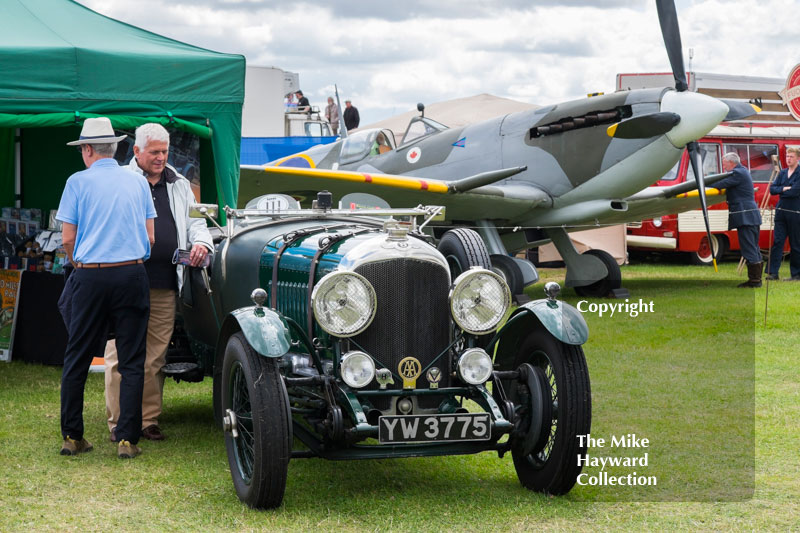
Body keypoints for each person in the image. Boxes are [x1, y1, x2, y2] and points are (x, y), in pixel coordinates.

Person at [104, 123, 213, 442]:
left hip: (166, 283)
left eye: (164, 152)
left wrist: (202, 243)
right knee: (119, 354)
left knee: (155, 355)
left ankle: (147, 420)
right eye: (154, 152)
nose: (161, 158)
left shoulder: (179, 183)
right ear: (136, 151)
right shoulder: (120, 182)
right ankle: (119, 422)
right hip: (125, 281)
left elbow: (197, 224)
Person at [56, 117, 155, 459]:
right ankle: (127, 439)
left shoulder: (77, 182)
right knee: (131, 359)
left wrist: (80, 262)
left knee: (77, 357)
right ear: (114, 147)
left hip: (91, 274)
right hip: (131, 273)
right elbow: (151, 238)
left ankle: (72, 436)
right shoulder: (138, 183)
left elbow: (68, 237)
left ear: (87, 150)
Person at [714, 152, 763, 287]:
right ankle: (756, 280)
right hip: (750, 215)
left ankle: (754, 281)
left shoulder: (737, 173)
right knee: (753, 247)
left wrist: (702, 182)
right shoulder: (742, 171)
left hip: (745, 216)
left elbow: (720, 184)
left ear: (731, 163)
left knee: (748, 248)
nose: (724, 168)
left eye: (724, 164)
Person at [766, 146, 800, 281]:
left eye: (791, 156)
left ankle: (796, 274)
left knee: (795, 243)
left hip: (795, 211)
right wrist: (785, 188)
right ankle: (773, 272)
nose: (788, 159)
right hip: (781, 211)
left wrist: (782, 190)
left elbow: (795, 191)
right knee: (777, 241)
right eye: (787, 156)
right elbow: (772, 190)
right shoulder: (782, 173)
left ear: (797, 158)